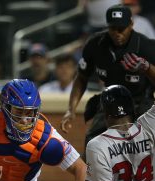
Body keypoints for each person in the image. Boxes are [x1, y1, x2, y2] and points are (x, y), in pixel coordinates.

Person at [61, 4, 155, 148]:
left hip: (141, 101)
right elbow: (81, 77)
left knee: (148, 145)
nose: (117, 33)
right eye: (113, 28)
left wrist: (147, 68)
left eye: (121, 29)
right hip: (111, 101)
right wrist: (71, 109)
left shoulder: (146, 46)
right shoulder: (96, 44)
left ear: (131, 24)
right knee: (92, 143)